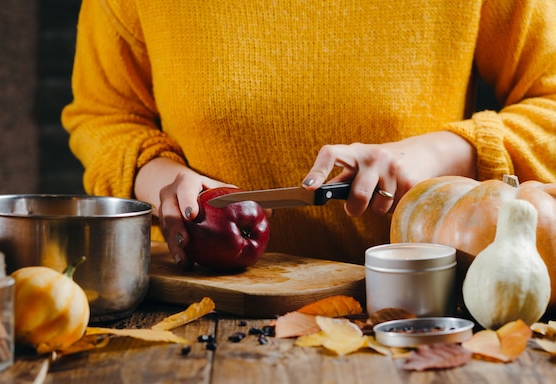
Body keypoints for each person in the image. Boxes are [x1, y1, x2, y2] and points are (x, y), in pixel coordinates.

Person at [62, 0, 556, 268]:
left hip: (422, 316)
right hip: (196, 309)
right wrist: (161, 178)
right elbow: (105, 116)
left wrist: (439, 153)